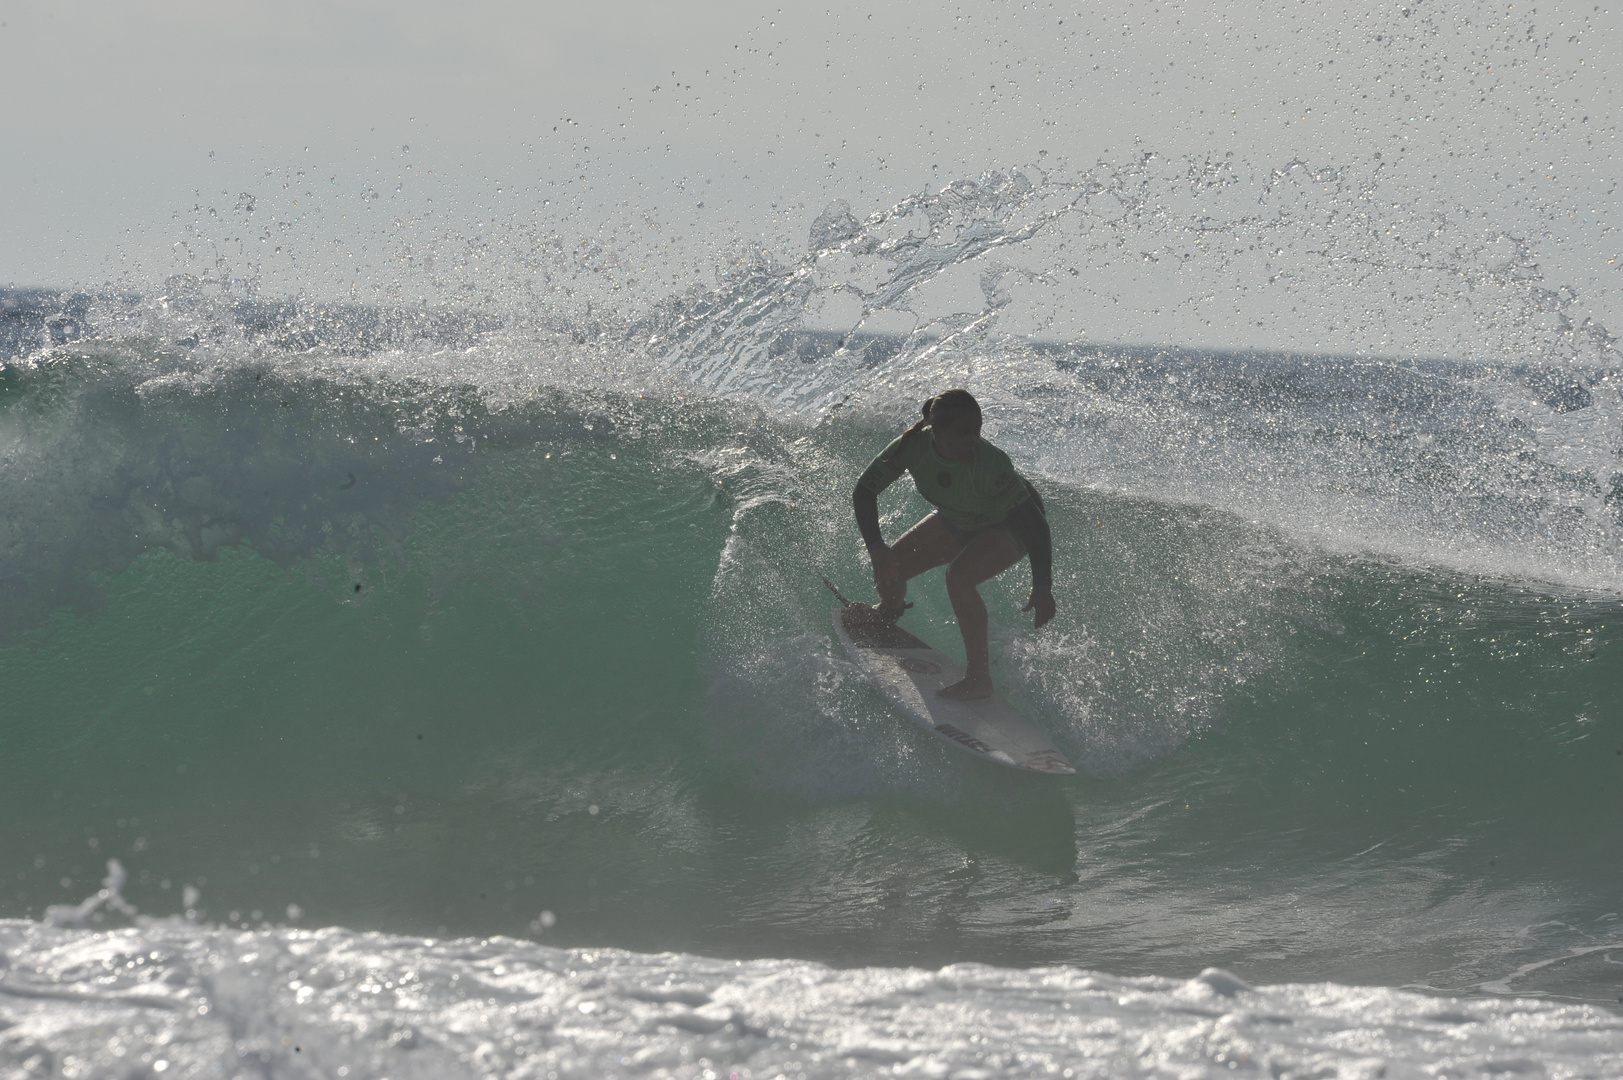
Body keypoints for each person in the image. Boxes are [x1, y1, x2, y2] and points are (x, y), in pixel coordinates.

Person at [851, 389, 1055, 700]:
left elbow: (1036, 525)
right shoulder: (913, 447)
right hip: (960, 517)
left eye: (976, 430)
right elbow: (864, 490)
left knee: (959, 577)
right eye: (963, 432)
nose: (972, 440)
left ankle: (979, 679)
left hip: (1010, 524)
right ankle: (888, 612)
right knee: (894, 566)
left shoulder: (990, 463)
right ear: (937, 430)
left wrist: (1042, 585)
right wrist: (877, 548)